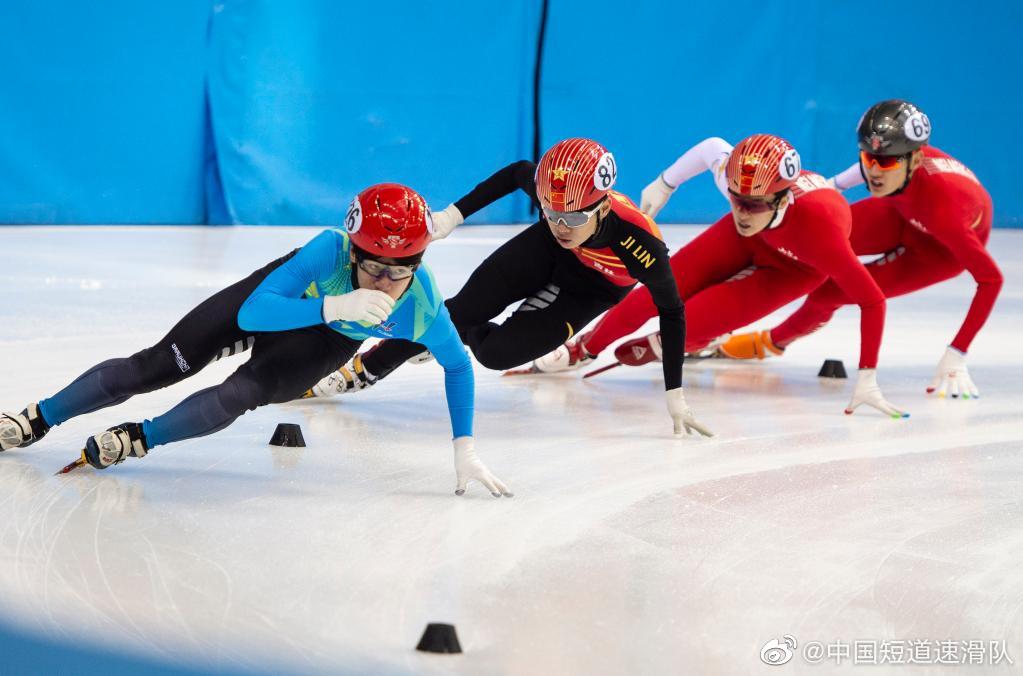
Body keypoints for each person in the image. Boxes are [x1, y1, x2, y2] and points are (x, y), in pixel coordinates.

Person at [0, 183, 511, 497]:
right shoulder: (328, 250)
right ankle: (37, 418)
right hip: (287, 301)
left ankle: (141, 438)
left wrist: (464, 444)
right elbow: (253, 311)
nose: (383, 282)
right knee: (155, 366)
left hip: (323, 344)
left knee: (243, 392)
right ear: (353, 252)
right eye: (372, 266)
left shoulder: (423, 307)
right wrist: (331, 304)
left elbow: (459, 366)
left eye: (399, 273)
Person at [310, 138, 712, 436]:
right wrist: (452, 215)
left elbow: (672, 310)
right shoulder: (556, 217)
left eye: (572, 219)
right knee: (458, 310)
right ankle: (364, 370)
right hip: (544, 253)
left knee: (495, 353)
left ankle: (451, 330)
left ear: (603, 206)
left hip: (591, 289)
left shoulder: (640, 244)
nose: (561, 226)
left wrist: (674, 392)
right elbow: (517, 170)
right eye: (551, 212)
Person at [544, 133, 906, 418]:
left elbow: (872, 300)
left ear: (782, 199)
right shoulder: (745, 185)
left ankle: (681, 342)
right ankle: (584, 348)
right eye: (735, 198)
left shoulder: (822, 233)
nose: (742, 211)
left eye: (754, 204)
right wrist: (665, 183)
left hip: (795, 268)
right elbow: (711, 148)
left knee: (689, 325)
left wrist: (868, 376)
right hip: (746, 242)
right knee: (651, 295)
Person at [717, 101, 1001, 400]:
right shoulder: (891, 165)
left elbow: (991, 280)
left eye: (886, 162)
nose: (874, 170)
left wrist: (957, 352)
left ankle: (769, 343)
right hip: (900, 213)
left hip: (939, 252)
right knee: (816, 245)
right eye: (868, 157)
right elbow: (840, 183)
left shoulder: (946, 211)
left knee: (829, 292)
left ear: (915, 161)